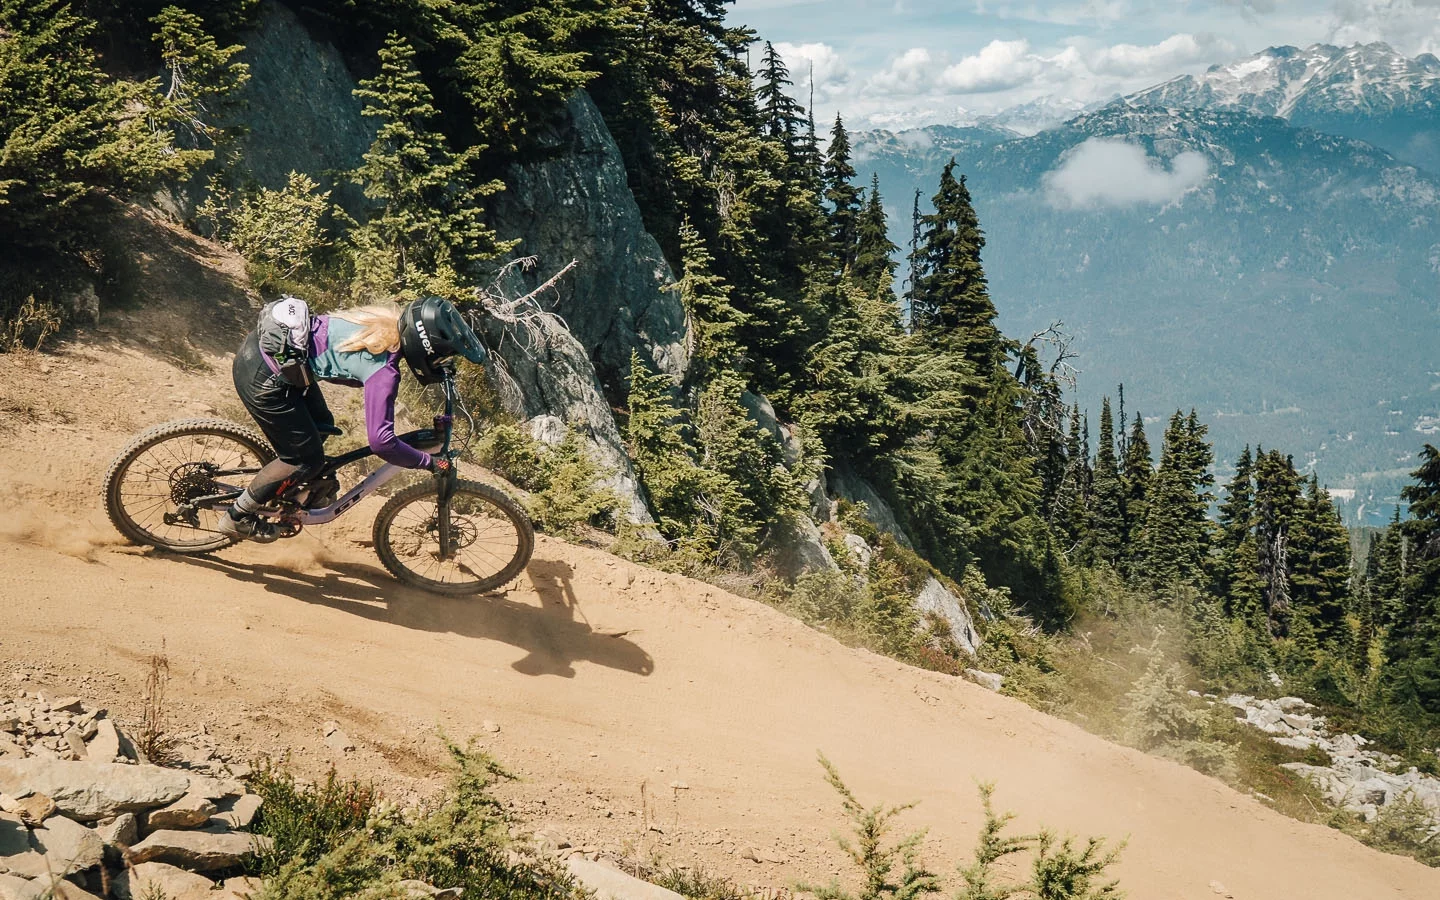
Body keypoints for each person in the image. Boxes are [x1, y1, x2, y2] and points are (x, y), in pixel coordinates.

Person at [218, 296, 488, 542]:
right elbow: (381, 442)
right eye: (440, 356)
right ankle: (236, 517)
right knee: (302, 459)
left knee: (322, 424)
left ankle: (289, 491)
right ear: (425, 348)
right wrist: (428, 462)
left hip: (262, 354)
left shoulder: (379, 321)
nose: (440, 362)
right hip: (265, 381)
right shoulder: (384, 371)